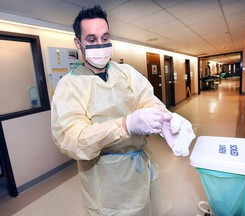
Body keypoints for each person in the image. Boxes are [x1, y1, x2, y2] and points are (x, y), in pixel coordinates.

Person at [51, 5, 195, 216]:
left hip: (141, 167)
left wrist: (165, 120)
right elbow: (72, 139)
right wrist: (125, 125)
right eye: (91, 40)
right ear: (78, 43)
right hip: (107, 180)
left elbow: (148, 100)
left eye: (105, 37)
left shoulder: (126, 72)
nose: (100, 44)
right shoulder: (69, 86)